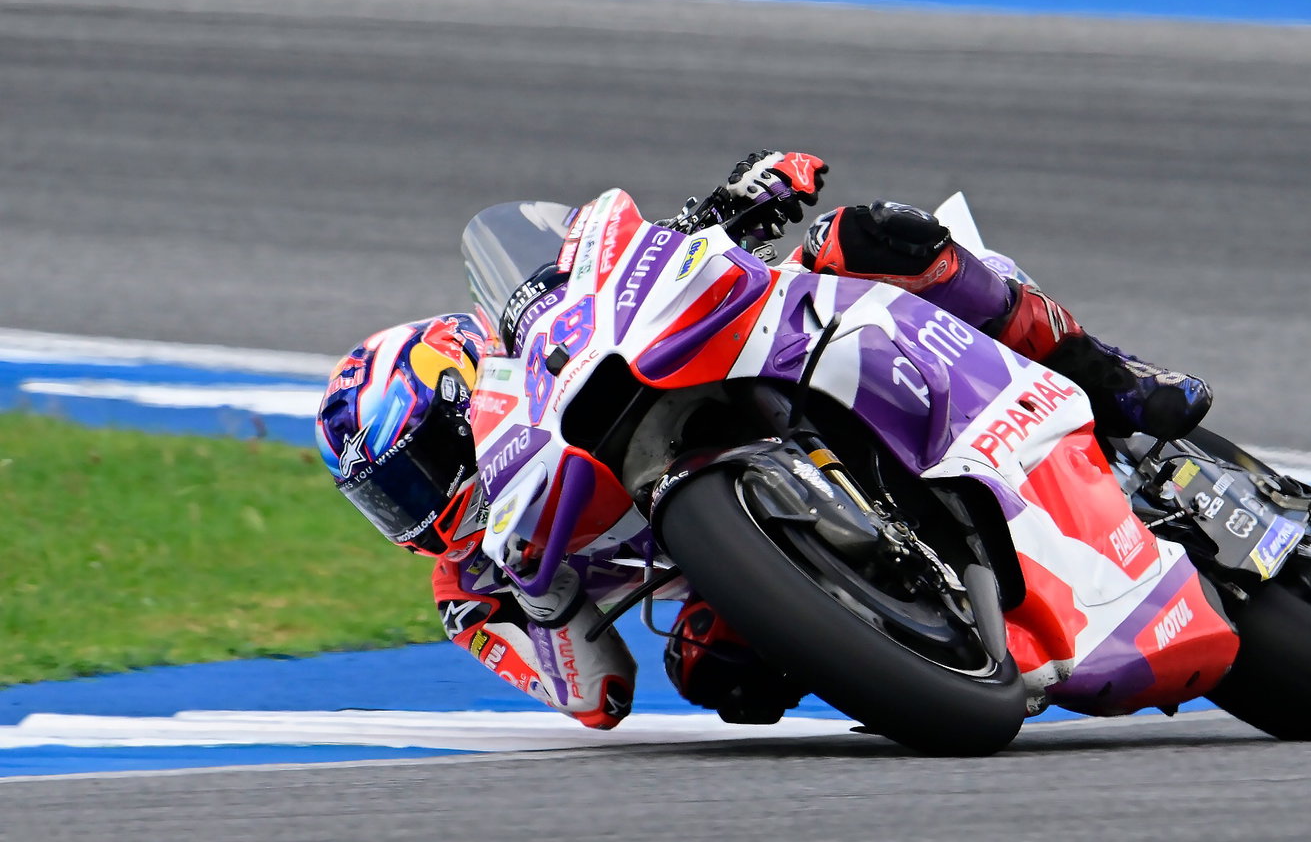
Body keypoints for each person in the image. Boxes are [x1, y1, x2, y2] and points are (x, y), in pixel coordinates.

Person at [315, 151, 1212, 730]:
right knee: (715, 672)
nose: (420, 505)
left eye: (421, 467)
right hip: (722, 546)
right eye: (386, 498)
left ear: (467, 386)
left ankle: (1117, 379)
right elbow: (599, 696)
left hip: (752, 365)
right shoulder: (470, 588)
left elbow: (624, 267)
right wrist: (540, 597)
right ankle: (907, 636)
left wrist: (744, 198)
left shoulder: (544, 350)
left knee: (868, 237)